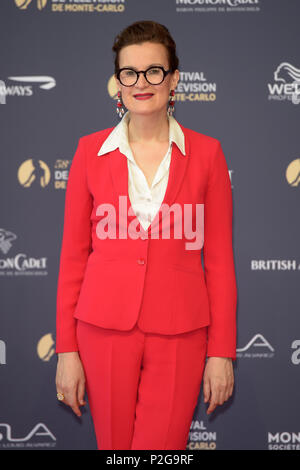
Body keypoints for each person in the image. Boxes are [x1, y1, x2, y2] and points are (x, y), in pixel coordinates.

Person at [55, 20, 237, 450]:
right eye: (129, 73)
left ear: (173, 79)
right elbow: (73, 257)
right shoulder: (88, 152)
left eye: (154, 71)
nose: (142, 83)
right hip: (102, 329)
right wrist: (66, 350)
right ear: (117, 83)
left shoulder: (208, 154)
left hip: (182, 332)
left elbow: (220, 262)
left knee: (164, 452)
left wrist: (222, 352)